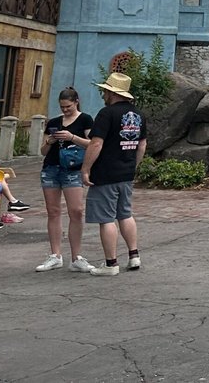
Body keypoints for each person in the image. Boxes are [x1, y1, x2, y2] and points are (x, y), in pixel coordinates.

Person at [82, 72, 148, 275]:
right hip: (126, 172)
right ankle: (134, 255)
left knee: (106, 219)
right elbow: (142, 145)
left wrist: (86, 169)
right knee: (125, 214)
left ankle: (111, 264)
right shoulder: (138, 115)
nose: (104, 94)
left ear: (112, 93)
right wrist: (133, 166)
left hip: (106, 173)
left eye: (106, 91)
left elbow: (96, 143)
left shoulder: (106, 113)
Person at [35, 87, 96, 273]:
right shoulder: (54, 122)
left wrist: (72, 137)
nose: (65, 110)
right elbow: (43, 151)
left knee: (76, 211)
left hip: (73, 169)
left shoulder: (85, 119)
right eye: (62, 107)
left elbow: (92, 143)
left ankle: (76, 256)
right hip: (51, 168)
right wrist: (50, 141)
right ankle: (55, 255)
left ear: (76, 102)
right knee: (53, 211)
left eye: (68, 106)